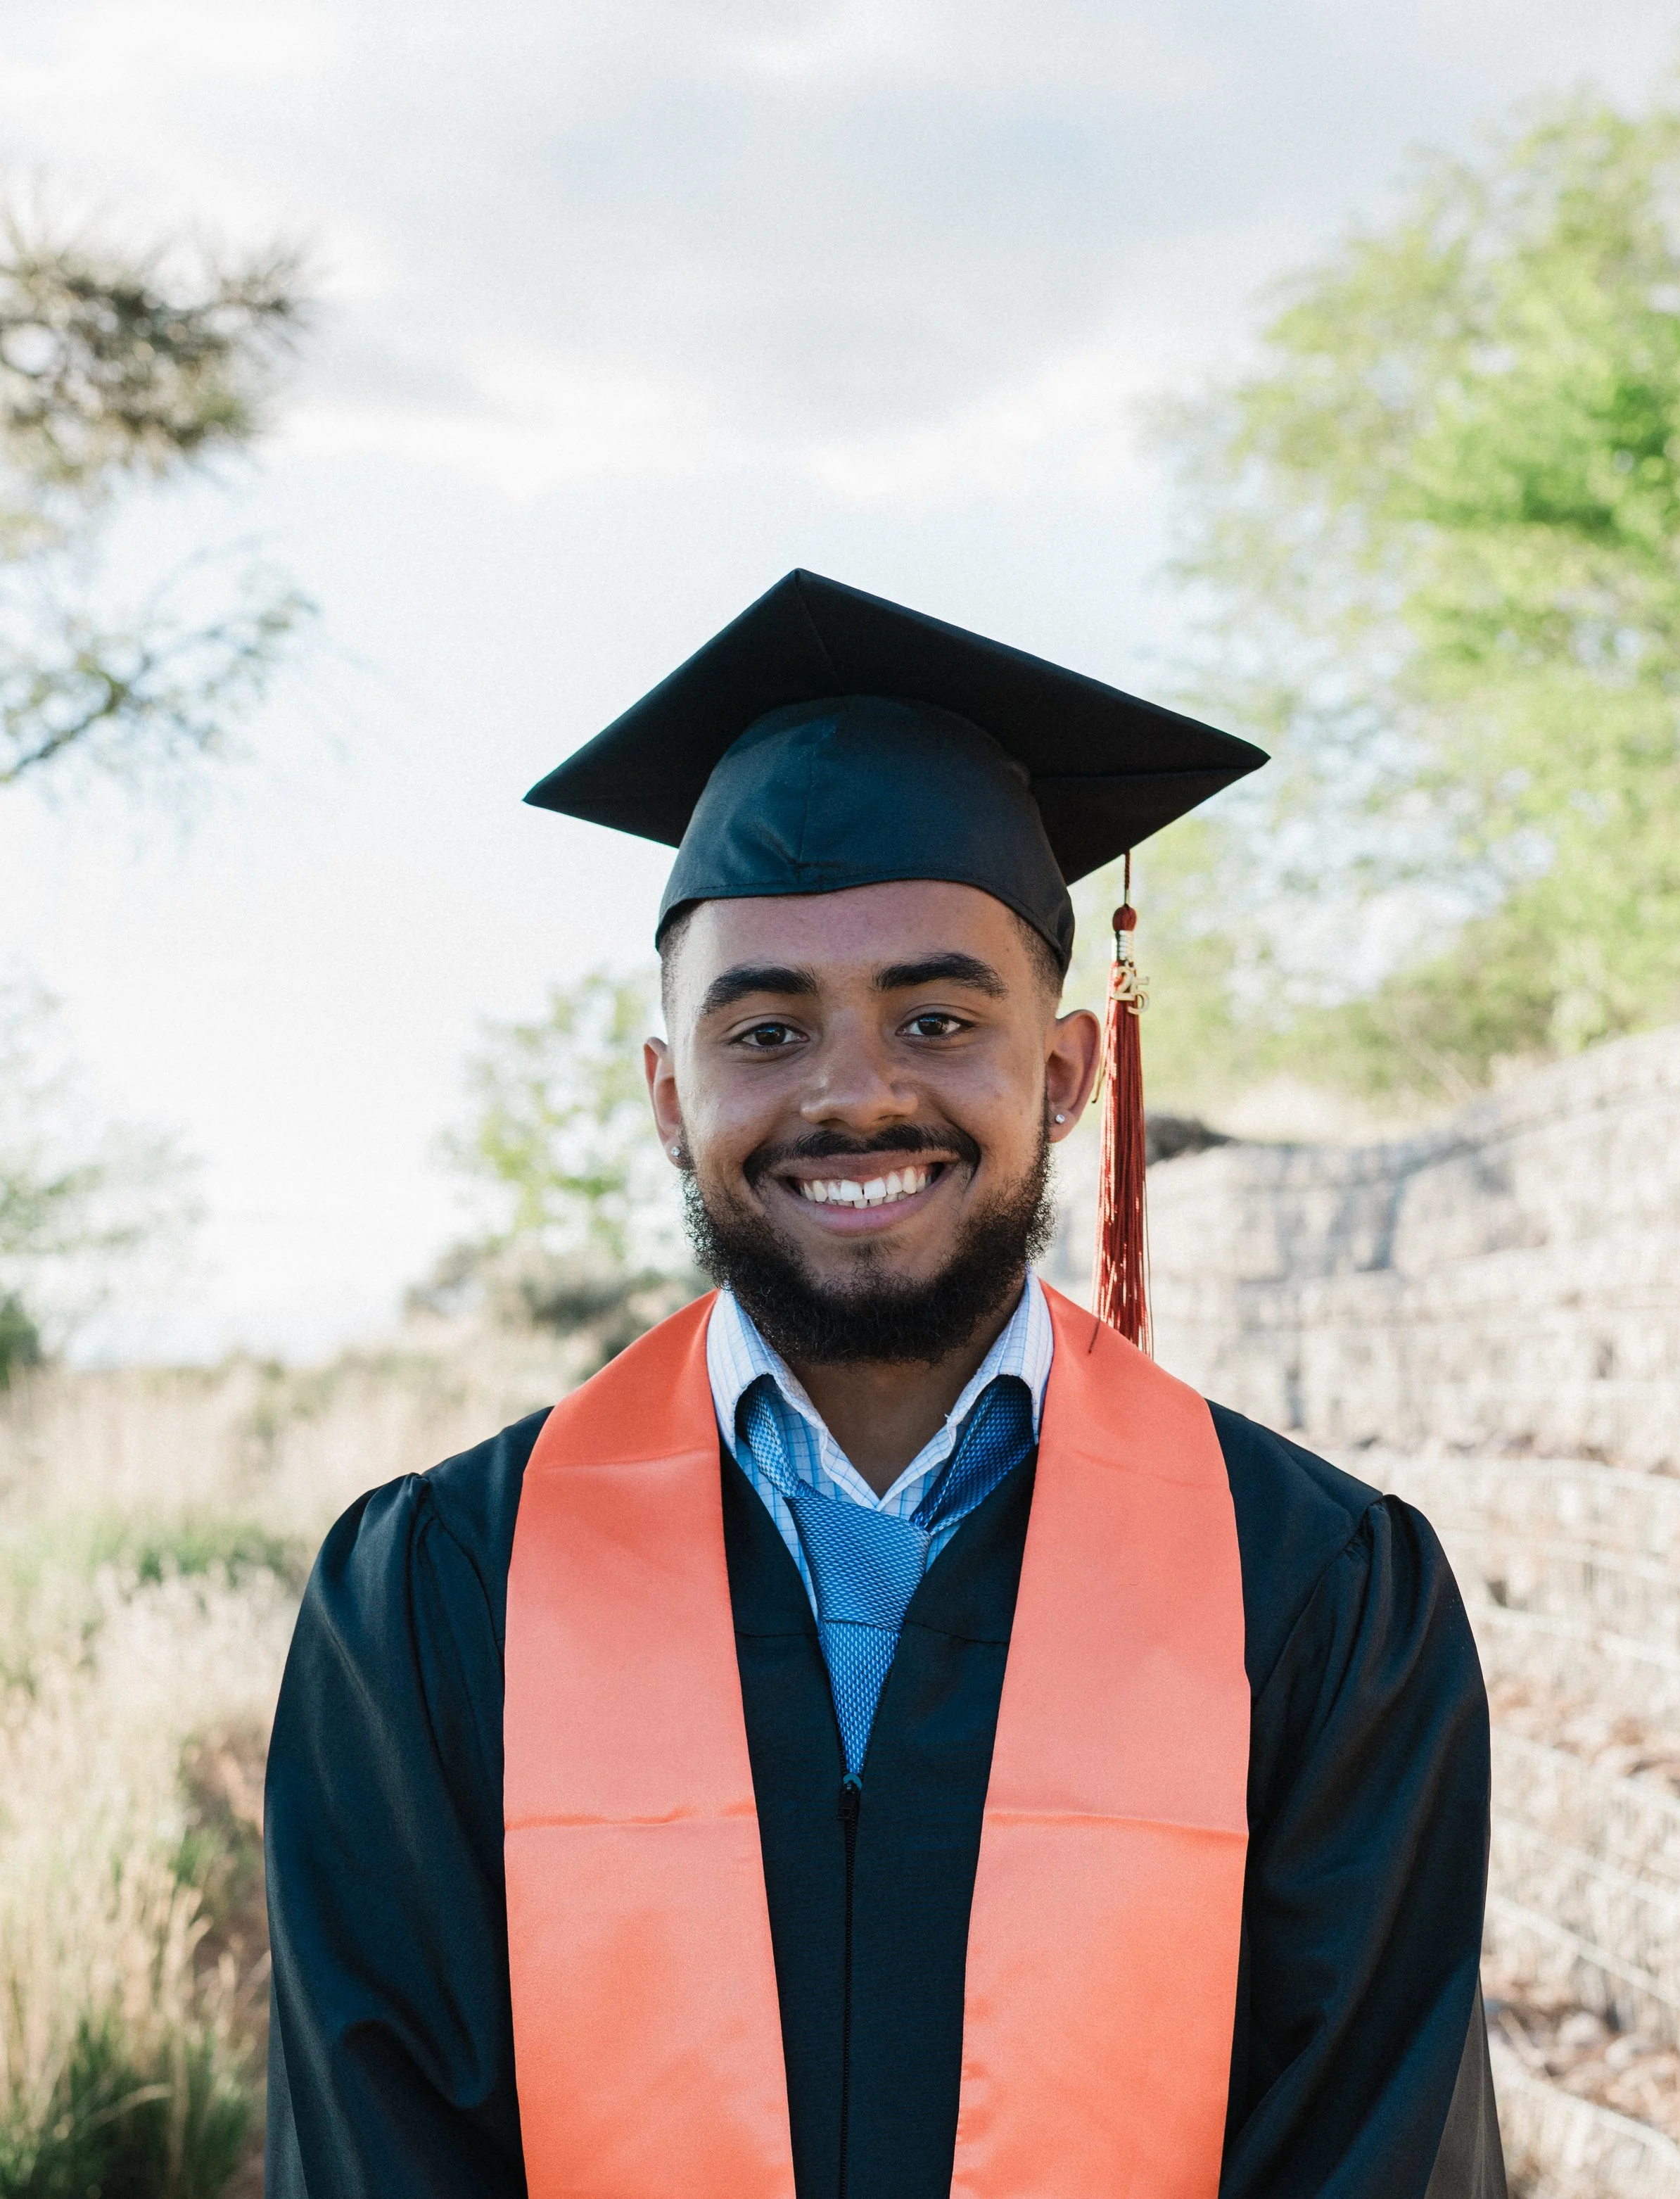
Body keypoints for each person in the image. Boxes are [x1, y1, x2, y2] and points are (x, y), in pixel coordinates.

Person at [264, 570, 1505, 2199]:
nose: (856, 1094)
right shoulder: (440, 1594)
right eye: (764, 1031)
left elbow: (1374, 2150)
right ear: (665, 1093)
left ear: (1063, 1073)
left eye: (933, 1015)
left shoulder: (1312, 1592)